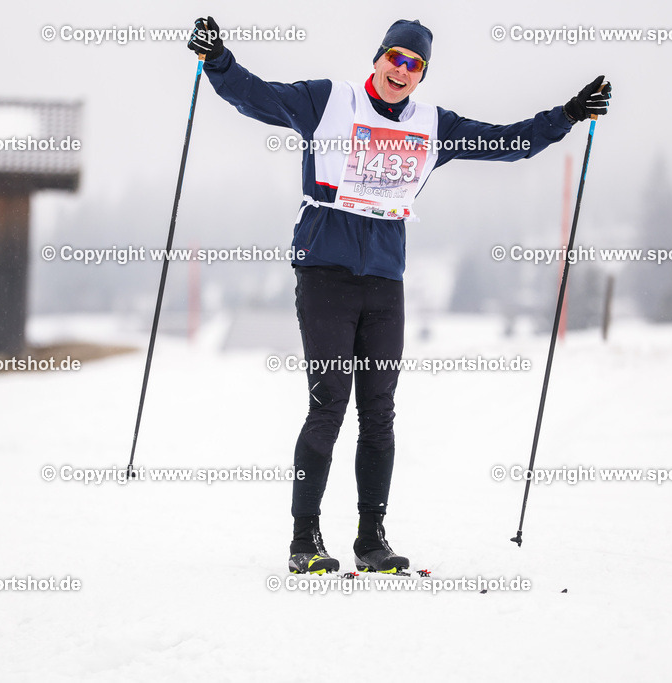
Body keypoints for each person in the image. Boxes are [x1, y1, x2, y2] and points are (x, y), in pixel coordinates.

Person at [187, 17, 611, 574]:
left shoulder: (435, 126)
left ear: (422, 75)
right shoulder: (327, 102)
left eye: (415, 65)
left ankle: (371, 540)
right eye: (396, 58)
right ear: (378, 57)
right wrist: (217, 57)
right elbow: (253, 95)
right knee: (328, 403)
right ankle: (304, 541)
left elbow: (511, 143)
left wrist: (569, 115)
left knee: (380, 413)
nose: (402, 71)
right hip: (325, 275)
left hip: (385, 281)